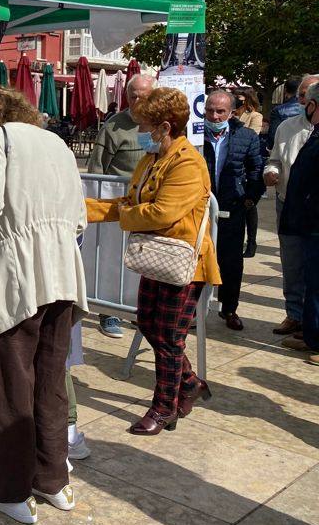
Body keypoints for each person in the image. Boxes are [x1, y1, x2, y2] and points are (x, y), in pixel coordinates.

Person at [0, 82, 88, 525]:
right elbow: (80, 216)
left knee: (10, 383)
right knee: (50, 381)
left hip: (19, 277)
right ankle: (52, 481)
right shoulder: (58, 144)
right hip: (65, 273)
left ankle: (7, 490)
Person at [87, 88, 221, 435]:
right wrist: (82, 209)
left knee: (170, 338)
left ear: (165, 126)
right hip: (155, 257)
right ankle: (190, 383)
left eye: (145, 125)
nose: (140, 132)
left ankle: (164, 409)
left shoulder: (188, 163)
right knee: (148, 323)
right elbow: (128, 203)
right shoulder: (152, 158)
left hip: (183, 264)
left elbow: (162, 213)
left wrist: (129, 215)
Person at [87, 74, 156, 338]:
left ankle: (138, 309)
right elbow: (96, 166)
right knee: (113, 259)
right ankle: (110, 311)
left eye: (143, 95)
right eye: (133, 95)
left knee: (144, 258)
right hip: (117, 203)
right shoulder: (115, 126)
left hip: (148, 205)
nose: (138, 100)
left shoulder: (160, 124)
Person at [202, 89, 265, 331]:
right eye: (210, 110)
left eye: (220, 111)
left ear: (231, 112)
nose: (215, 116)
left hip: (232, 207)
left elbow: (255, 169)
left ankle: (229, 308)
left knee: (231, 262)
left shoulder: (245, 136)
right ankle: (195, 309)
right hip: (201, 209)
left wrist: (250, 198)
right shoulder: (194, 136)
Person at [267, 74, 319, 337]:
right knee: (291, 262)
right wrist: (271, 171)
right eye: (300, 95)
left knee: (314, 268)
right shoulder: (286, 127)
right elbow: (275, 158)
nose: (301, 101)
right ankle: (294, 315)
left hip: (315, 213)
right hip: (287, 204)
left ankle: (312, 325)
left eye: (307, 96)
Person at [235, 87, 265, 257]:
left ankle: (251, 241)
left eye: (241, 99)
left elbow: (252, 135)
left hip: (248, 165)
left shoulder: (255, 116)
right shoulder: (235, 114)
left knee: (249, 206)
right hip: (237, 166)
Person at [268, 75, 304, 149]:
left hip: (286, 150)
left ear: (285, 90)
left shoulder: (278, 110)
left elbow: (273, 136)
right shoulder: (312, 108)